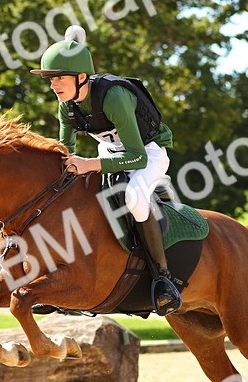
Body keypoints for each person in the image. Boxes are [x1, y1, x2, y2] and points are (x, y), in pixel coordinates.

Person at [28, 25, 182, 316]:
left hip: (148, 154)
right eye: (51, 79)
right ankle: (61, 281)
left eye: (59, 78)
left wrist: (88, 165)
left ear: (81, 77)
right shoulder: (66, 105)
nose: (53, 86)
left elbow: (136, 156)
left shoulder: (114, 98)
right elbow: (66, 149)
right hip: (109, 153)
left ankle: (164, 279)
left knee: (134, 199)